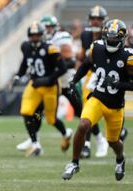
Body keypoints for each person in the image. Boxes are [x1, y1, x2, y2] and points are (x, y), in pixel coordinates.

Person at [62, 19, 133, 181]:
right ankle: (74, 162)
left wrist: (119, 84)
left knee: (114, 142)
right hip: (97, 98)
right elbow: (86, 64)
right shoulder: (97, 47)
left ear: (122, 39)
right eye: (109, 36)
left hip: (115, 106)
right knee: (83, 125)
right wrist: (74, 80)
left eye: (115, 38)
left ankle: (120, 159)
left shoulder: (128, 57)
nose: (111, 40)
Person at [16, 15, 78, 152]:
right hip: (34, 85)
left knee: (51, 119)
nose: (34, 38)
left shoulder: (51, 48)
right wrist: (18, 75)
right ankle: (35, 144)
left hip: (50, 87)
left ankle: (66, 133)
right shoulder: (26, 47)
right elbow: (24, 64)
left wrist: (48, 79)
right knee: (26, 111)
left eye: (37, 35)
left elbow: (62, 68)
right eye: (32, 35)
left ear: (42, 35)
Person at [75, 5, 110, 158]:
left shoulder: (109, 34)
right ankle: (91, 142)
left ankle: (113, 135)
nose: (95, 22)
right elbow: (83, 57)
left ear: (104, 20)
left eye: (99, 19)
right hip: (91, 74)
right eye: (93, 18)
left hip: (108, 73)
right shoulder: (85, 35)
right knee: (87, 106)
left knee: (109, 109)